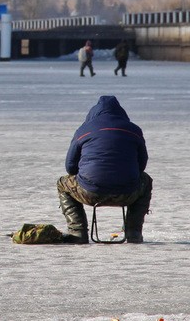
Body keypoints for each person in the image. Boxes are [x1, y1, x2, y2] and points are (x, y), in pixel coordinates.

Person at [57, 96, 152, 243]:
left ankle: (77, 232)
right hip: (127, 193)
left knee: (63, 183)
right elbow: (142, 165)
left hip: (90, 192)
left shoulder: (83, 130)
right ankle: (134, 232)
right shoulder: (134, 130)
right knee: (146, 180)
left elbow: (70, 166)